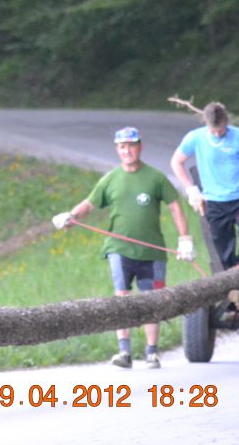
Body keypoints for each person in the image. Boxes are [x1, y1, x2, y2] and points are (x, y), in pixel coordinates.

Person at [52, 127, 192, 369]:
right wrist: (71, 216)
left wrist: (185, 239)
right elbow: (90, 204)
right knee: (121, 298)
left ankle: (151, 353)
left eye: (131, 145)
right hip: (119, 248)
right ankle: (124, 352)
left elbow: (175, 207)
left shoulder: (156, 177)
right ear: (118, 150)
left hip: (152, 251)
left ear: (140, 147)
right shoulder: (111, 179)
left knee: (153, 301)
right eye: (122, 147)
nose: (127, 150)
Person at [170, 101, 239, 269]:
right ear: (206, 125)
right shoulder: (195, 137)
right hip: (215, 201)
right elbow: (176, 162)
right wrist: (191, 190)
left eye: (221, 130)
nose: (218, 134)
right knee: (223, 247)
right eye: (214, 131)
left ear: (226, 122)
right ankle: (231, 277)